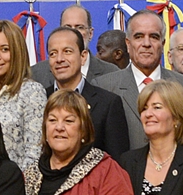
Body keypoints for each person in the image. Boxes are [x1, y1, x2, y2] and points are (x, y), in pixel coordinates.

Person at [93, 10, 183, 149]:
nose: (146, 43)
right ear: (128, 44)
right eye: (139, 36)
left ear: (163, 43)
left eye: (153, 37)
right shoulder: (104, 86)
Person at [43, 26, 130, 158]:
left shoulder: (108, 104)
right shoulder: (40, 99)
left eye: (67, 51)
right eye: (53, 53)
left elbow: (117, 162)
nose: (59, 59)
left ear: (83, 57)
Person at [0, 20, 47, 173]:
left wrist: (12, 186)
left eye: (4, 49)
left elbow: (34, 153)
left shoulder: (31, 92)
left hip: (14, 187)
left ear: (17, 53)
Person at [31, 4, 119, 90]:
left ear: (90, 33)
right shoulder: (37, 74)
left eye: (80, 27)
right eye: (67, 27)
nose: (73, 32)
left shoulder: (112, 73)